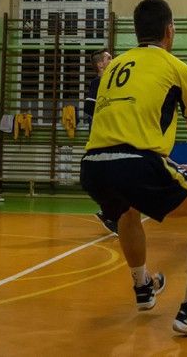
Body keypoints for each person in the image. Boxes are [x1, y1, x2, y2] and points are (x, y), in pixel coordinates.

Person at [80, 0, 187, 336]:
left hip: (92, 166)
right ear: (170, 30)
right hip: (136, 164)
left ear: (137, 31)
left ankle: (143, 286)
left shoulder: (114, 68)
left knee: (128, 210)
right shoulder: (176, 68)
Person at [83, 48, 118, 234]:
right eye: (109, 58)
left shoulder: (113, 82)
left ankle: (109, 213)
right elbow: (89, 108)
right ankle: (109, 214)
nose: (113, 59)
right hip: (102, 138)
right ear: (100, 64)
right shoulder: (98, 83)